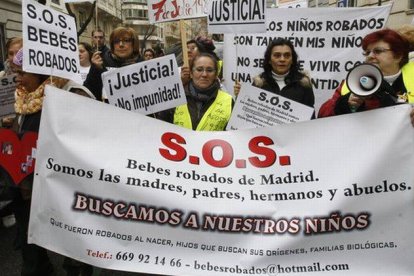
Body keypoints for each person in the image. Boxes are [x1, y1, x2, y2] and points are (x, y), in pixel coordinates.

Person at [10, 48, 95, 275]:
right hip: (30, 183)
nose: (17, 78)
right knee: (32, 236)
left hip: (65, 181)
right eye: (15, 72)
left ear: (39, 73)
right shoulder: (23, 97)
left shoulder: (72, 93)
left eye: (22, 73)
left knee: (72, 235)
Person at [318, 29, 414, 118]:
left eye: (378, 51)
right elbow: (322, 114)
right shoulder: (352, 82)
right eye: (367, 53)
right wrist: (345, 103)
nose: (370, 56)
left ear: (398, 56)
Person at [160, 53, 233, 131]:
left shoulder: (228, 101)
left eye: (209, 70)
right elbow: (161, 129)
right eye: (199, 69)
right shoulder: (174, 98)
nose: (204, 74)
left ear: (216, 75)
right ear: (191, 73)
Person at [247, 38, 315, 112]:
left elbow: (310, 116)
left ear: (292, 60)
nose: (282, 59)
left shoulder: (303, 84)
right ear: (269, 60)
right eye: (277, 55)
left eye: (287, 55)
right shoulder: (259, 83)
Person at [84, 27, 142, 101]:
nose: (121, 45)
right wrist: (95, 69)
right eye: (116, 41)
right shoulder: (102, 64)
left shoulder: (144, 66)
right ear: (112, 45)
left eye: (126, 40)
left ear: (134, 43)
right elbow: (88, 93)